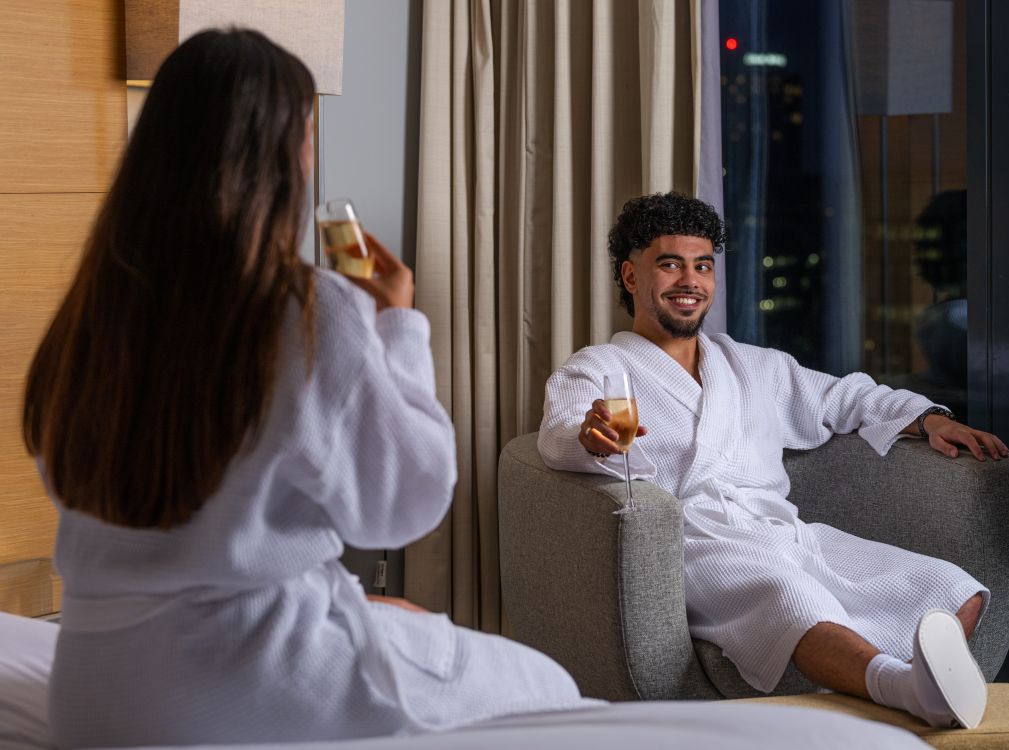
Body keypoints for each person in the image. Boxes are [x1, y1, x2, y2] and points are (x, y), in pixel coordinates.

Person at [24, 30, 590, 748]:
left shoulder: (89, 316)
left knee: (401, 620)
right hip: (244, 676)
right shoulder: (306, 311)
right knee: (552, 689)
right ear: (279, 157)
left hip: (94, 687)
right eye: (308, 133)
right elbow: (405, 506)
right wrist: (397, 325)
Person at [538, 193, 1009, 729]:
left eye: (703, 266)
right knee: (790, 595)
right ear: (630, 275)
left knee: (949, 586)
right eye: (670, 265)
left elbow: (845, 398)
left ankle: (899, 690)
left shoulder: (752, 365)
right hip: (694, 542)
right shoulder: (599, 367)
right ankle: (900, 688)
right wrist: (591, 439)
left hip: (782, 532)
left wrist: (927, 418)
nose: (690, 281)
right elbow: (557, 437)